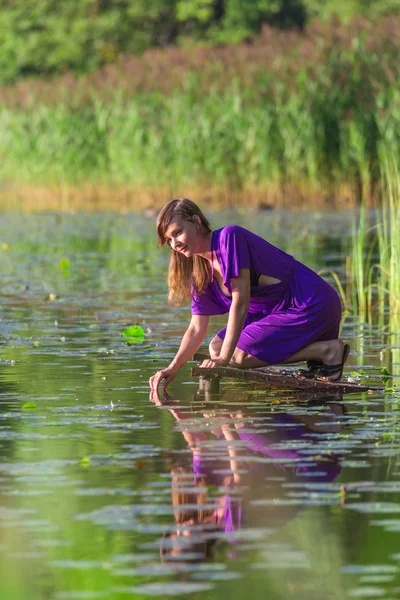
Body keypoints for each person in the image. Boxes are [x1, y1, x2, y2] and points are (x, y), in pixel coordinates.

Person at [149, 198, 350, 391]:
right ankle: (316, 353)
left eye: (178, 232)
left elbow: (241, 301)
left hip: (310, 304)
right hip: (275, 312)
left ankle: (327, 351)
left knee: (235, 356)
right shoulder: (200, 272)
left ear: (197, 221)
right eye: (169, 239)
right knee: (217, 348)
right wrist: (173, 366)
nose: (175, 243)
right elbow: (195, 328)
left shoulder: (229, 238)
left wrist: (224, 360)